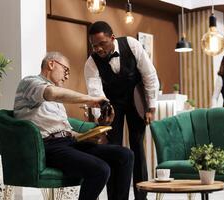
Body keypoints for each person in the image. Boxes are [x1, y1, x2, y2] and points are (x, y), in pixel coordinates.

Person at [13, 52, 134, 200]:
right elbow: (52, 93)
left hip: (68, 143)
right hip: (48, 147)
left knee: (124, 154)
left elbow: (66, 131)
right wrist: (92, 100)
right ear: (51, 64)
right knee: (100, 170)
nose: (67, 76)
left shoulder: (57, 103)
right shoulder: (30, 82)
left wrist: (95, 131)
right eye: (66, 70)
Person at [84, 21, 159, 200]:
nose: (99, 49)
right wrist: (101, 118)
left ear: (112, 38)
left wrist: (151, 106)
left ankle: (142, 197)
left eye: (102, 44)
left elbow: (149, 75)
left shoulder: (132, 44)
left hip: (136, 101)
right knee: (113, 150)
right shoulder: (91, 63)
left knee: (137, 147)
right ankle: (116, 197)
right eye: (94, 46)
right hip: (111, 105)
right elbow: (95, 93)